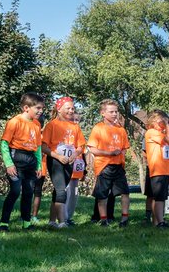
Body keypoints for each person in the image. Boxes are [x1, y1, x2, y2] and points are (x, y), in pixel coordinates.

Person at [0, 92, 45, 231]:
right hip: (16, 159)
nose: (41, 111)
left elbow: (38, 147)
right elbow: (4, 144)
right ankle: (4, 223)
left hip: (30, 161)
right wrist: (9, 164)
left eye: (42, 108)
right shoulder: (15, 122)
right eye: (38, 108)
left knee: (29, 192)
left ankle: (26, 222)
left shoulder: (37, 124)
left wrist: (38, 165)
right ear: (26, 108)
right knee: (15, 190)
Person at [40, 97, 85, 229]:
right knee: (61, 191)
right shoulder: (51, 125)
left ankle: (51, 221)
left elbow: (80, 146)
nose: (71, 111)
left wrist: (74, 155)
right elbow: (43, 146)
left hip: (69, 161)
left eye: (73, 108)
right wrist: (58, 156)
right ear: (59, 109)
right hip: (55, 161)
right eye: (68, 108)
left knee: (57, 191)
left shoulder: (75, 127)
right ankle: (62, 222)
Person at [87, 99, 131, 227]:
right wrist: (109, 153)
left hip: (118, 166)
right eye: (111, 112)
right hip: (104, 166)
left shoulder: (121, 130)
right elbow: (92, 149)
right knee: (103, 194)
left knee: (125, 192)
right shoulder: (98, 128)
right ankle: (103, 219)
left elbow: (124, 147)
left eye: (116, 112)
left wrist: (121, 153)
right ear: (103, 113)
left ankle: (124, 219)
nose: (114, 114)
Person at [143, 110, 169, 228]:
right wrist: (167, 125)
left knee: (160, 197)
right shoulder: (152, 132)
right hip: (158, 169)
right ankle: (160, 221)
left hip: (164, 169)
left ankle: (156, 221)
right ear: (154, 121)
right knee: (159, 198)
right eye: (161, 121)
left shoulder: (162, 133)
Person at [66, 110, 86, 225]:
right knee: (66, 193)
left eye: (77, 120)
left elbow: (83, 153)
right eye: (73, 119)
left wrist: (84, 170)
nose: (75, 122)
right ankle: (63, 217)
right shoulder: (66, 132)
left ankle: (69, 217)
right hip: (66, 167)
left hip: (77, 169)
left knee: (74, 193)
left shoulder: (79, 133)